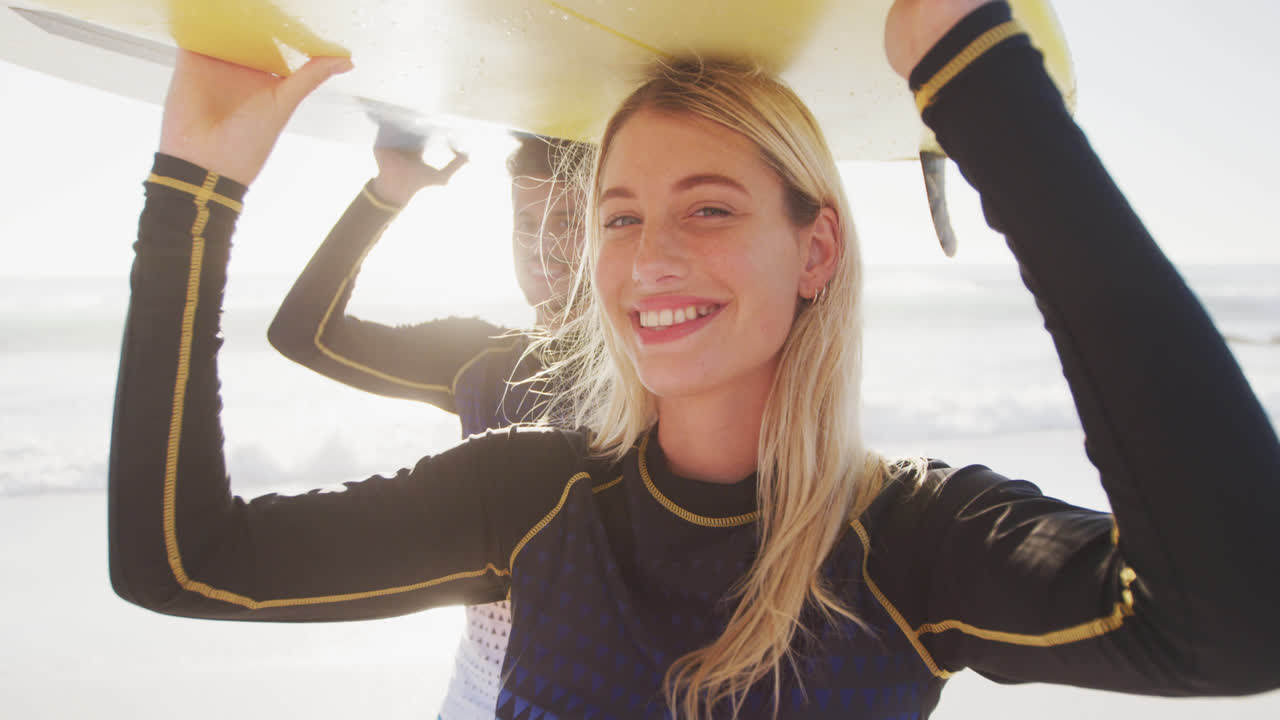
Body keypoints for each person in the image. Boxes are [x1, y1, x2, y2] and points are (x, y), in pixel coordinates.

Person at [108, 1, 1280, 718]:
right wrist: (192, 193)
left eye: (708, 209)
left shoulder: (908, 544)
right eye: (619, 215)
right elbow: (184, 563)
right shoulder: (534, 494)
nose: (645, 257)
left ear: (814, 248)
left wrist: (972, 80)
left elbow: (1240, 621)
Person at [265, 127, 589, 719]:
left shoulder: (660, 369)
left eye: (569, 219)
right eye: (525, 222)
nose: (544, 244)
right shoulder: (479, 358)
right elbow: (301, 334)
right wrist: (387, 194)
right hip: (475, 698)